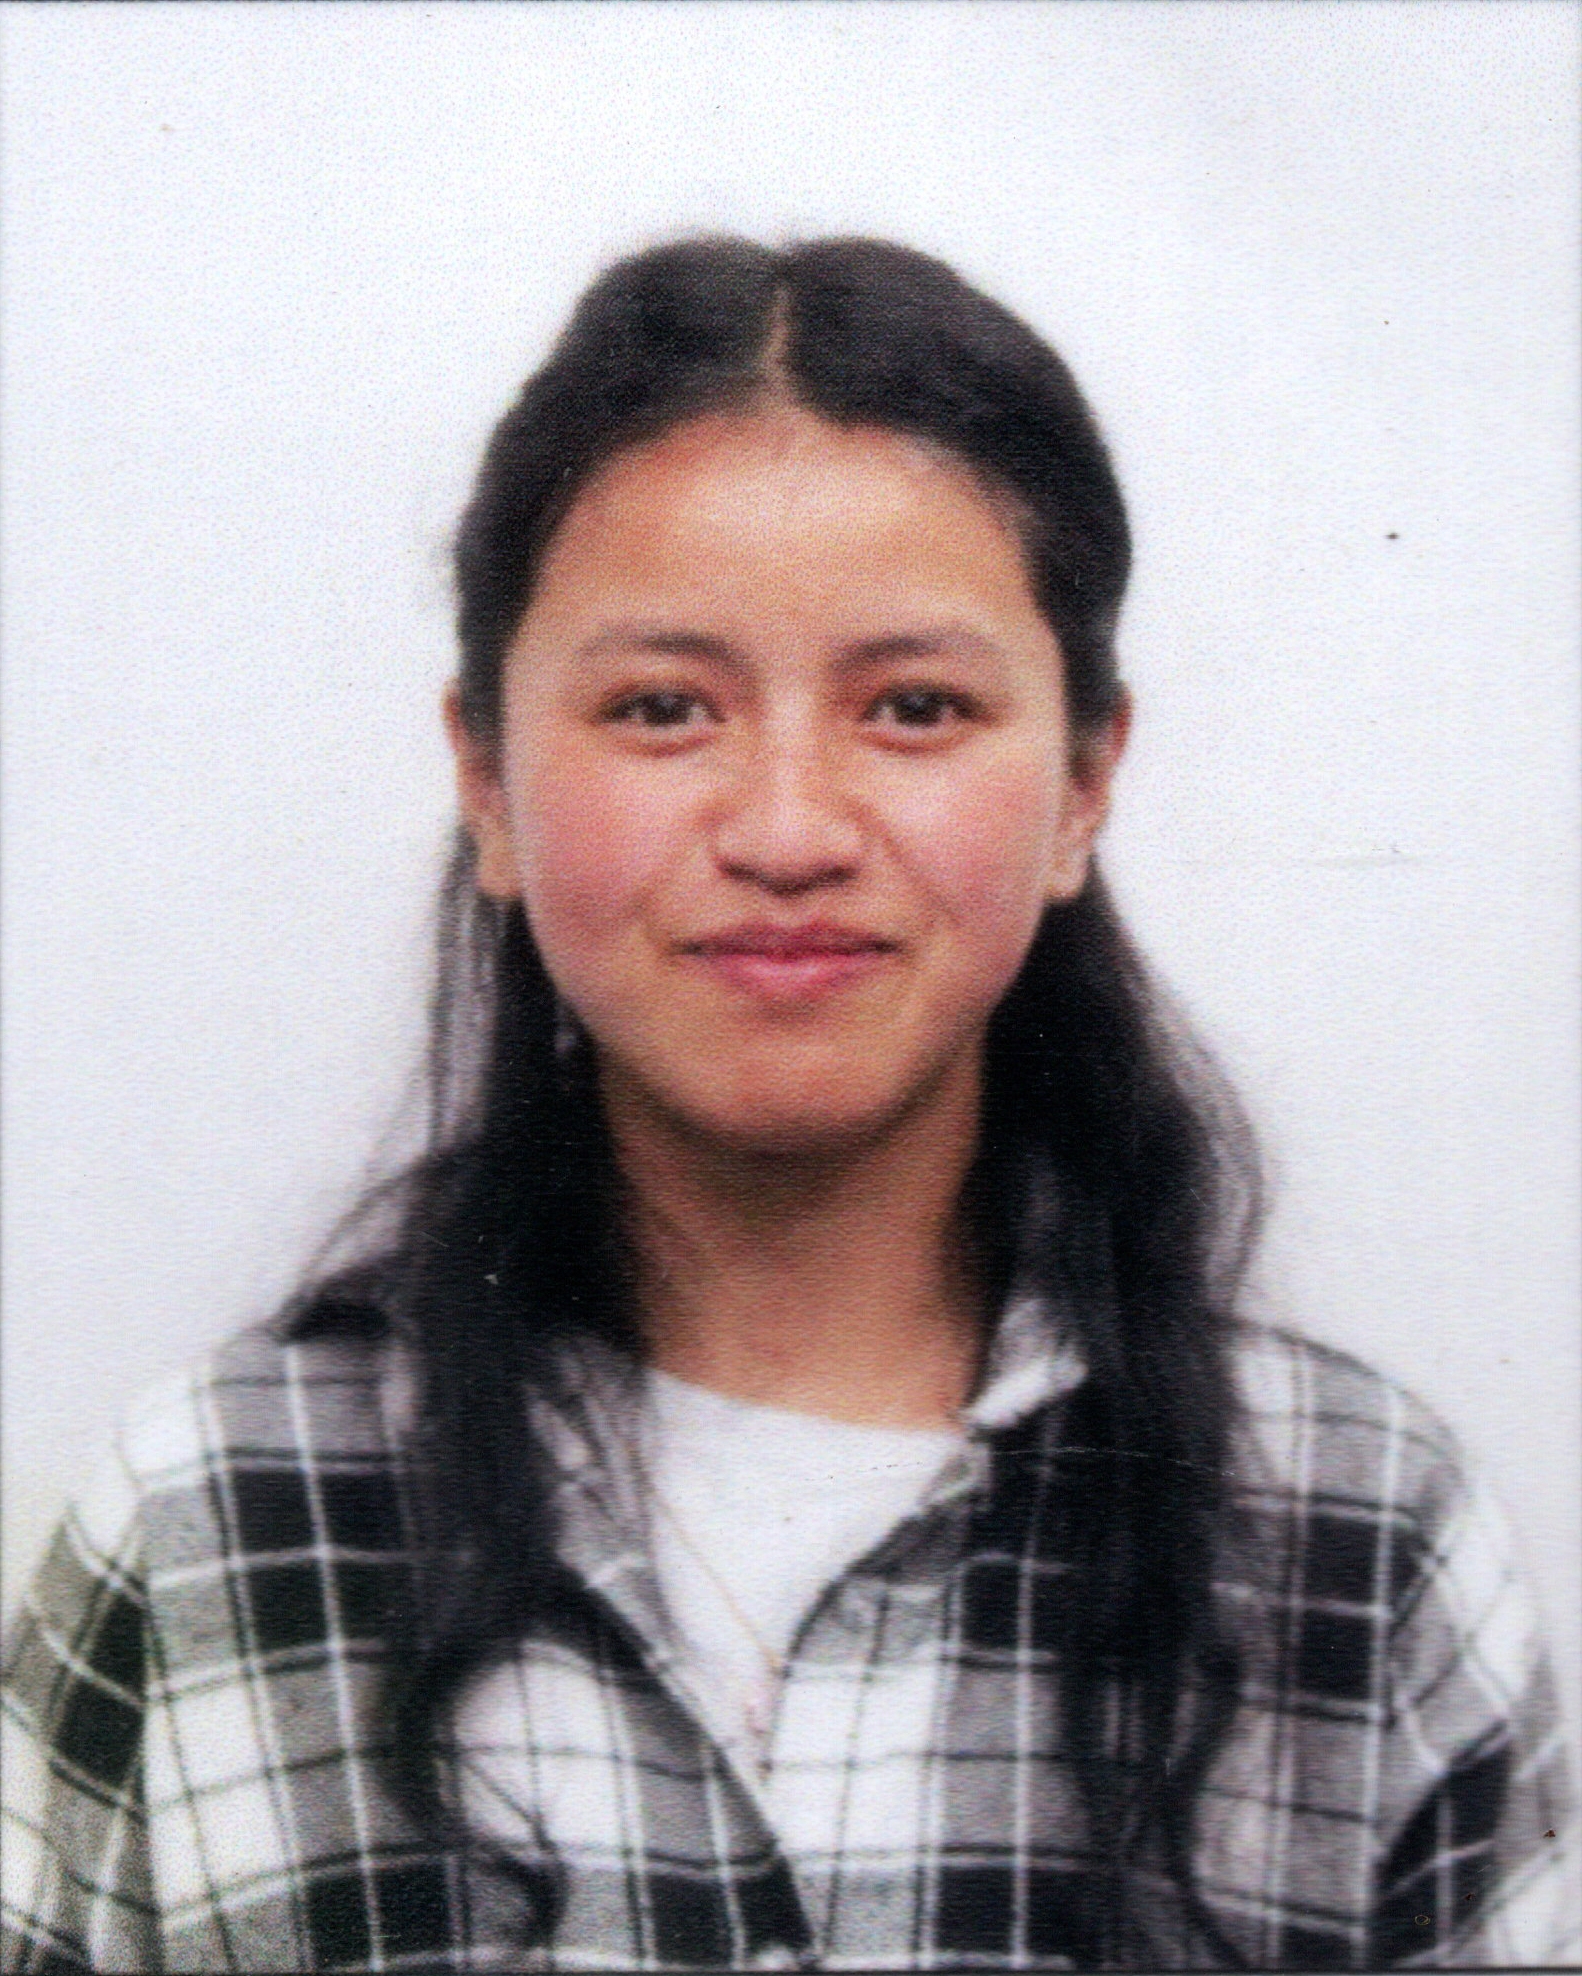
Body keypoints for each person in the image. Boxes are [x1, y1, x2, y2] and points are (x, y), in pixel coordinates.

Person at [2, 237, 1573, 1975]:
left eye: (914, 707)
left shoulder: (1354, 1534)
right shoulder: (207, 1523)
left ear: (1081, 783)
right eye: (663, 708)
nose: (787, 830)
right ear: (488, 781)